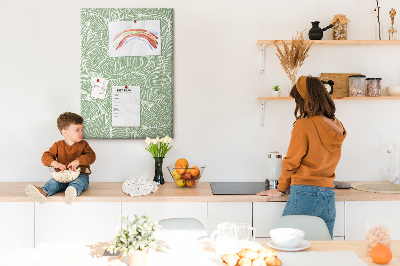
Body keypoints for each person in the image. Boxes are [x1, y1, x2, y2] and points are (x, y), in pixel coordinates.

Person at [256, 76, 346, 238]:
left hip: (305, 195)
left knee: (285, 244)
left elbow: (291, 162)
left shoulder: (304, 125)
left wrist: (280, 189)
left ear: (306, 100)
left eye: (298, 100)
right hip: (328, 197)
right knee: (323, 250)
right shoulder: (337, 125)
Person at [25, 112, 96, 205]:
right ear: (65, 132)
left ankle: (72, 192)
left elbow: (91, 156)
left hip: (80, 175)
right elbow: (45, 157)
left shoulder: (84, 145)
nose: (81, 132)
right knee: (52, 183)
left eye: (82, 129)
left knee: (79, 183)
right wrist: (55, 163)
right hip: (61, 177)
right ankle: (42, 192)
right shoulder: (58, 145)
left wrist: (78, 161)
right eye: (77, 130)